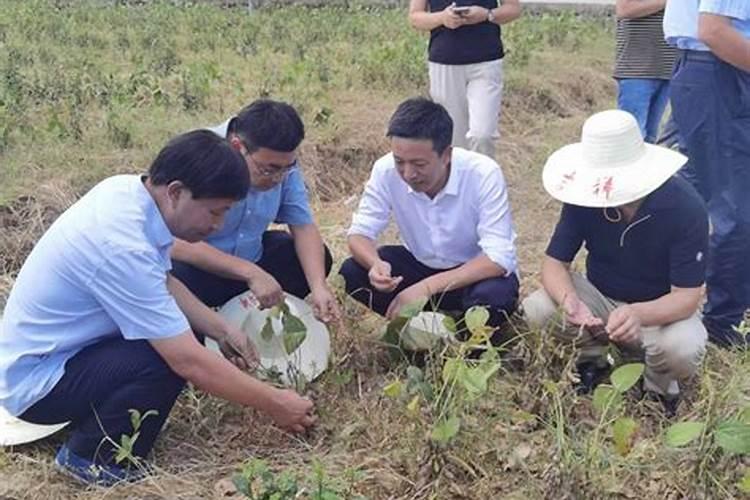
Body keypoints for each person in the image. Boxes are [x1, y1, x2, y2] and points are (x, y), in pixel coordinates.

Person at [0, 131, 316, 486]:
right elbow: (189, 362)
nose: (218, 225)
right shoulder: (121, 245)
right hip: (37, 383)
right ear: (177, 192)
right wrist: (276, 402)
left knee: (180, 335)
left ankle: (98, 420)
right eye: (214, 212)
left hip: (61, 354)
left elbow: (163, 280)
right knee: (163, 358)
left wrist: (221, 328)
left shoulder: (127, 192)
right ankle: (94, 459)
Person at [522, 110, 708, 416]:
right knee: (538, 309)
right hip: (601, 298)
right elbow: (554, 263)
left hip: (661, 311)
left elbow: (687, 297)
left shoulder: (685, 208)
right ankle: (592, 359)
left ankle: (659, 386)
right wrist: (571, 302)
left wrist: (636, 313)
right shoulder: (584, 197)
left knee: (682, 346)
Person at [340, 98, 519, 340]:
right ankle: (426, 329)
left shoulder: (482, 174)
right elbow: (359, 232)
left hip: (471, 275)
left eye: (419, 164)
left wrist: (425, 288)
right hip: (419, 265)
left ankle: (466, 340)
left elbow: (498, 258)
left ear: (446, 155)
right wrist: (374, 264)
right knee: (352, 272)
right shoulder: (384, 170)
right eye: (399, 162)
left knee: (494, 296)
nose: (408, 173)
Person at [171, 99, 340, 323]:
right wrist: (248, 272)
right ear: (237, 146)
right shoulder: (197, 153)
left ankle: (254, 317)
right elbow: (170, 240)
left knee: (302, 256)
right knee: (168, 276)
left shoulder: (282, 165)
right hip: (199, 266)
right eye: (269, 169)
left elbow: (303, 225)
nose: (278, 178)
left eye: (286, 168)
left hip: (252, 261)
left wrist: (319, 287)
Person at [664, 0, 750, 347]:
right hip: (722, 73)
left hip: (709, 73)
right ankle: (721, 324)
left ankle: (675, 302)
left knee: (691, 198)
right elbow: (714, 30)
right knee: (737, 207)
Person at [408, 0, 521, 161]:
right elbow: (415, 17)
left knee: (483, 134)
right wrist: (442, 18)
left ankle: (483, 182)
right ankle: (458, 182)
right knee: (453, 138)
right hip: (444, 63)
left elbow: (513, 9)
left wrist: (487, 15)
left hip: (486, 61)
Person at [614, 0, 678, 143]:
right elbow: (625, 9)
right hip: (636, 70)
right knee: (631, 138)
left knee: (650, 139)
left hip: (667, 68)